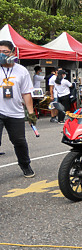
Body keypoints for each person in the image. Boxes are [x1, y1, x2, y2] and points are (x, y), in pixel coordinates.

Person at [0, 40, 37, 178]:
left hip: (15, 112)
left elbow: (26, 93)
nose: (2, 55)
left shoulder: (21, 71)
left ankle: (25, 165)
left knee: (19, 141)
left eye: (5, 52)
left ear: (12, 53)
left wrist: (31, 113)